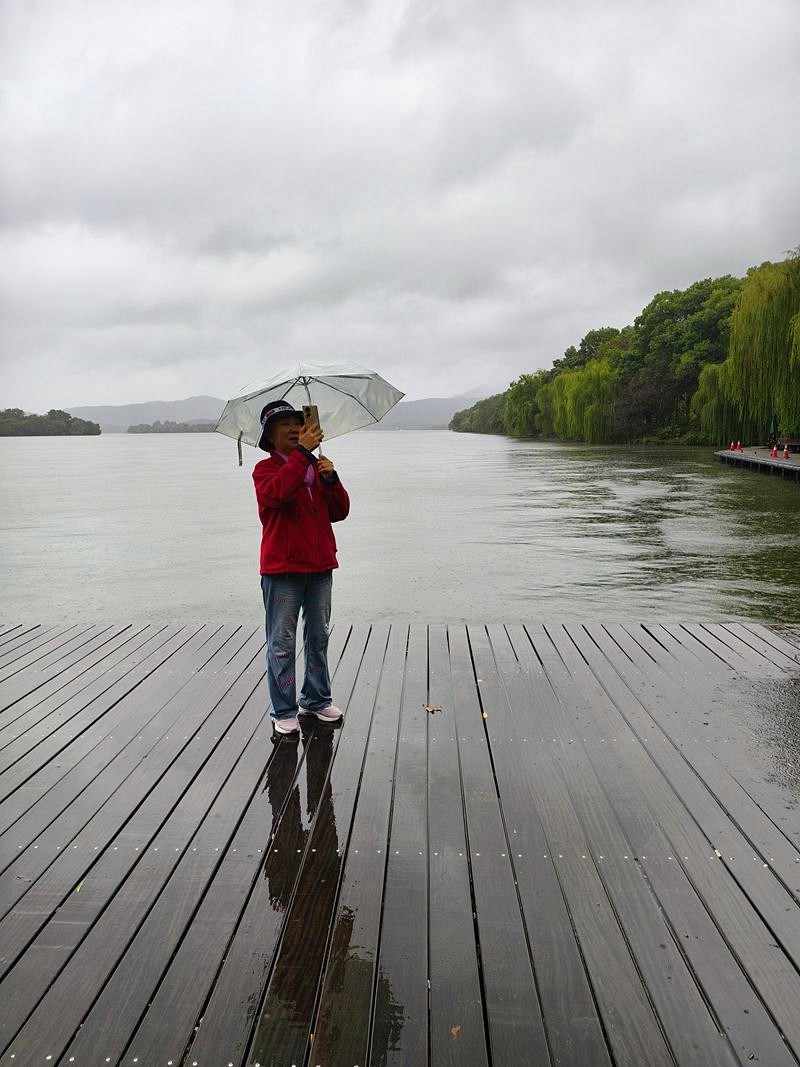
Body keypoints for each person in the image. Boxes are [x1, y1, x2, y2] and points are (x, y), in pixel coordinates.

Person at [253, 399, 350, 736]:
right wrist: (303, 454)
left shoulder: (313, 465)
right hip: (282, 570)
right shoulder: (265, 470)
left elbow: (340, 512)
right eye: (286, 425)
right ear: (270, 435)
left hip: (320, 565)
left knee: (318, 635)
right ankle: (283, 709)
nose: (295, 429)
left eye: (298, 423)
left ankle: (316, 698)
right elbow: (276, 495)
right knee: (281, 642)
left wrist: (331, 479)